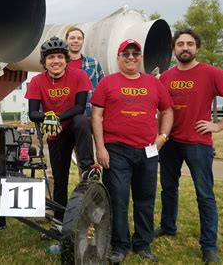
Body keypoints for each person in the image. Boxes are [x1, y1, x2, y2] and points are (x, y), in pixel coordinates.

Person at [155, 29, 223, 263]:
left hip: (198, 143)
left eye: (190, 44)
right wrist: (159, 135)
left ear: (197, 48)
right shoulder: (166, 77)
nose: (185, 48)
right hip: (170, 142)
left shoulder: (211, 73)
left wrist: (218, 126)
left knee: (204, 194)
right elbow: (160, 109)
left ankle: (208, 245)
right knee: (168, 188)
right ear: (174, 49)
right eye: (180, 44)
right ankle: (168, 226)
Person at [90, 39, 173, 264]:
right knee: (118, 198)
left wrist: (162, 137)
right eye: (125, 53)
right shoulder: (107, 83)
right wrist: (100, 148)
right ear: (118, 58)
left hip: (147, 150)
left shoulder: (154, 84)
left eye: (135, 53)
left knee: (145, 198)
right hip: (116, 150)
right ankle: (120, 245)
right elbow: (96, 116)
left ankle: (143, 244)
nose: (130, 57)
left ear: (141, 58)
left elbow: (167, 111)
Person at [25, 36, 96, 221]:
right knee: (59, 179)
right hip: (56, 134)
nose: (55, 61)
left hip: (74, 126)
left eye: (59, 57)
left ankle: (87, 166)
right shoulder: (37, 81)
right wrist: (48, 117)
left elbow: (80, 107)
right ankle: (59, 220)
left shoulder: (79, 75)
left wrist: (54, 117)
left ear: (66, 59)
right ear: (44, 61)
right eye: (50, 57)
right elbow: (33, 113)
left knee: (81, 119)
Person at [64, 26, 104, 117]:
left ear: (83, 41)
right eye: (72, 38)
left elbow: (102, 89)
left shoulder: (93, 63)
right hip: (66, 114)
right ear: (66, 40)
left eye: (79, 38)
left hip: (89, 113)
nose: (76, 41)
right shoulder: (60, 65)